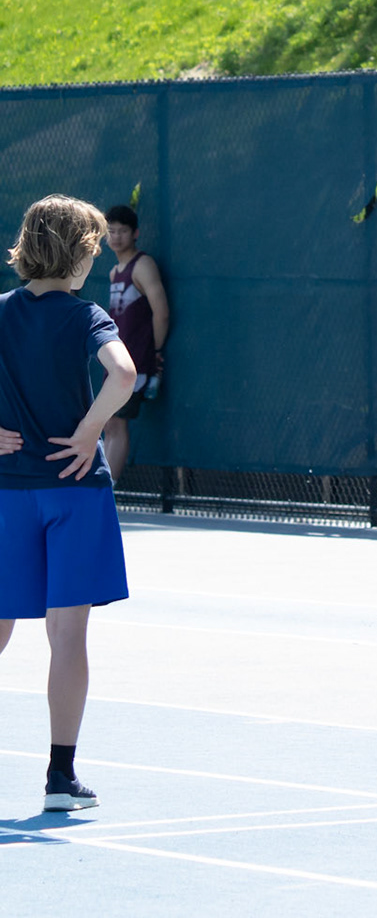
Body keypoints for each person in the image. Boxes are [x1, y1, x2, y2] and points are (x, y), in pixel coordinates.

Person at [0, 195, 139, 813]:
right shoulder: (86, 315)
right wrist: (90, 431)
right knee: (68, 634)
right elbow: (124, 374)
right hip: (75, 492)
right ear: (80, 255)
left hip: (8, 492)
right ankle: (61, 777)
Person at [100, 204, 169, 484]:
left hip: (137, 362)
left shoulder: (143, 265)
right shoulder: (114, 272)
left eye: (123, 231)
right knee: (108, 423)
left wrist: (155, 352)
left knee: (117, 423)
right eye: (111, 231)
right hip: (115, 361)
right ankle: (103, 487)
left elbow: (161, 313)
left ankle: (108, 489)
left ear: (135, 233)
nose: (116, 237)